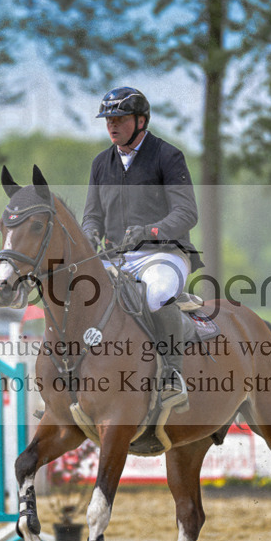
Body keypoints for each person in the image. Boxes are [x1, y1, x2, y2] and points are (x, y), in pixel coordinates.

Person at [82, 86, 203, 412]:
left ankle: (171, 376)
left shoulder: (167, 156)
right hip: (117, 259)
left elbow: (187, 212)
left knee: (156, 292)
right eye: (108, 119)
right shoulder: (100, 163)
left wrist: (151, 231)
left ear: (140, 120)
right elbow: (91, 215)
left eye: (119, 118)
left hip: (164, 255)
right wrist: (90, 232)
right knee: (83, 296)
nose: (112, 125)